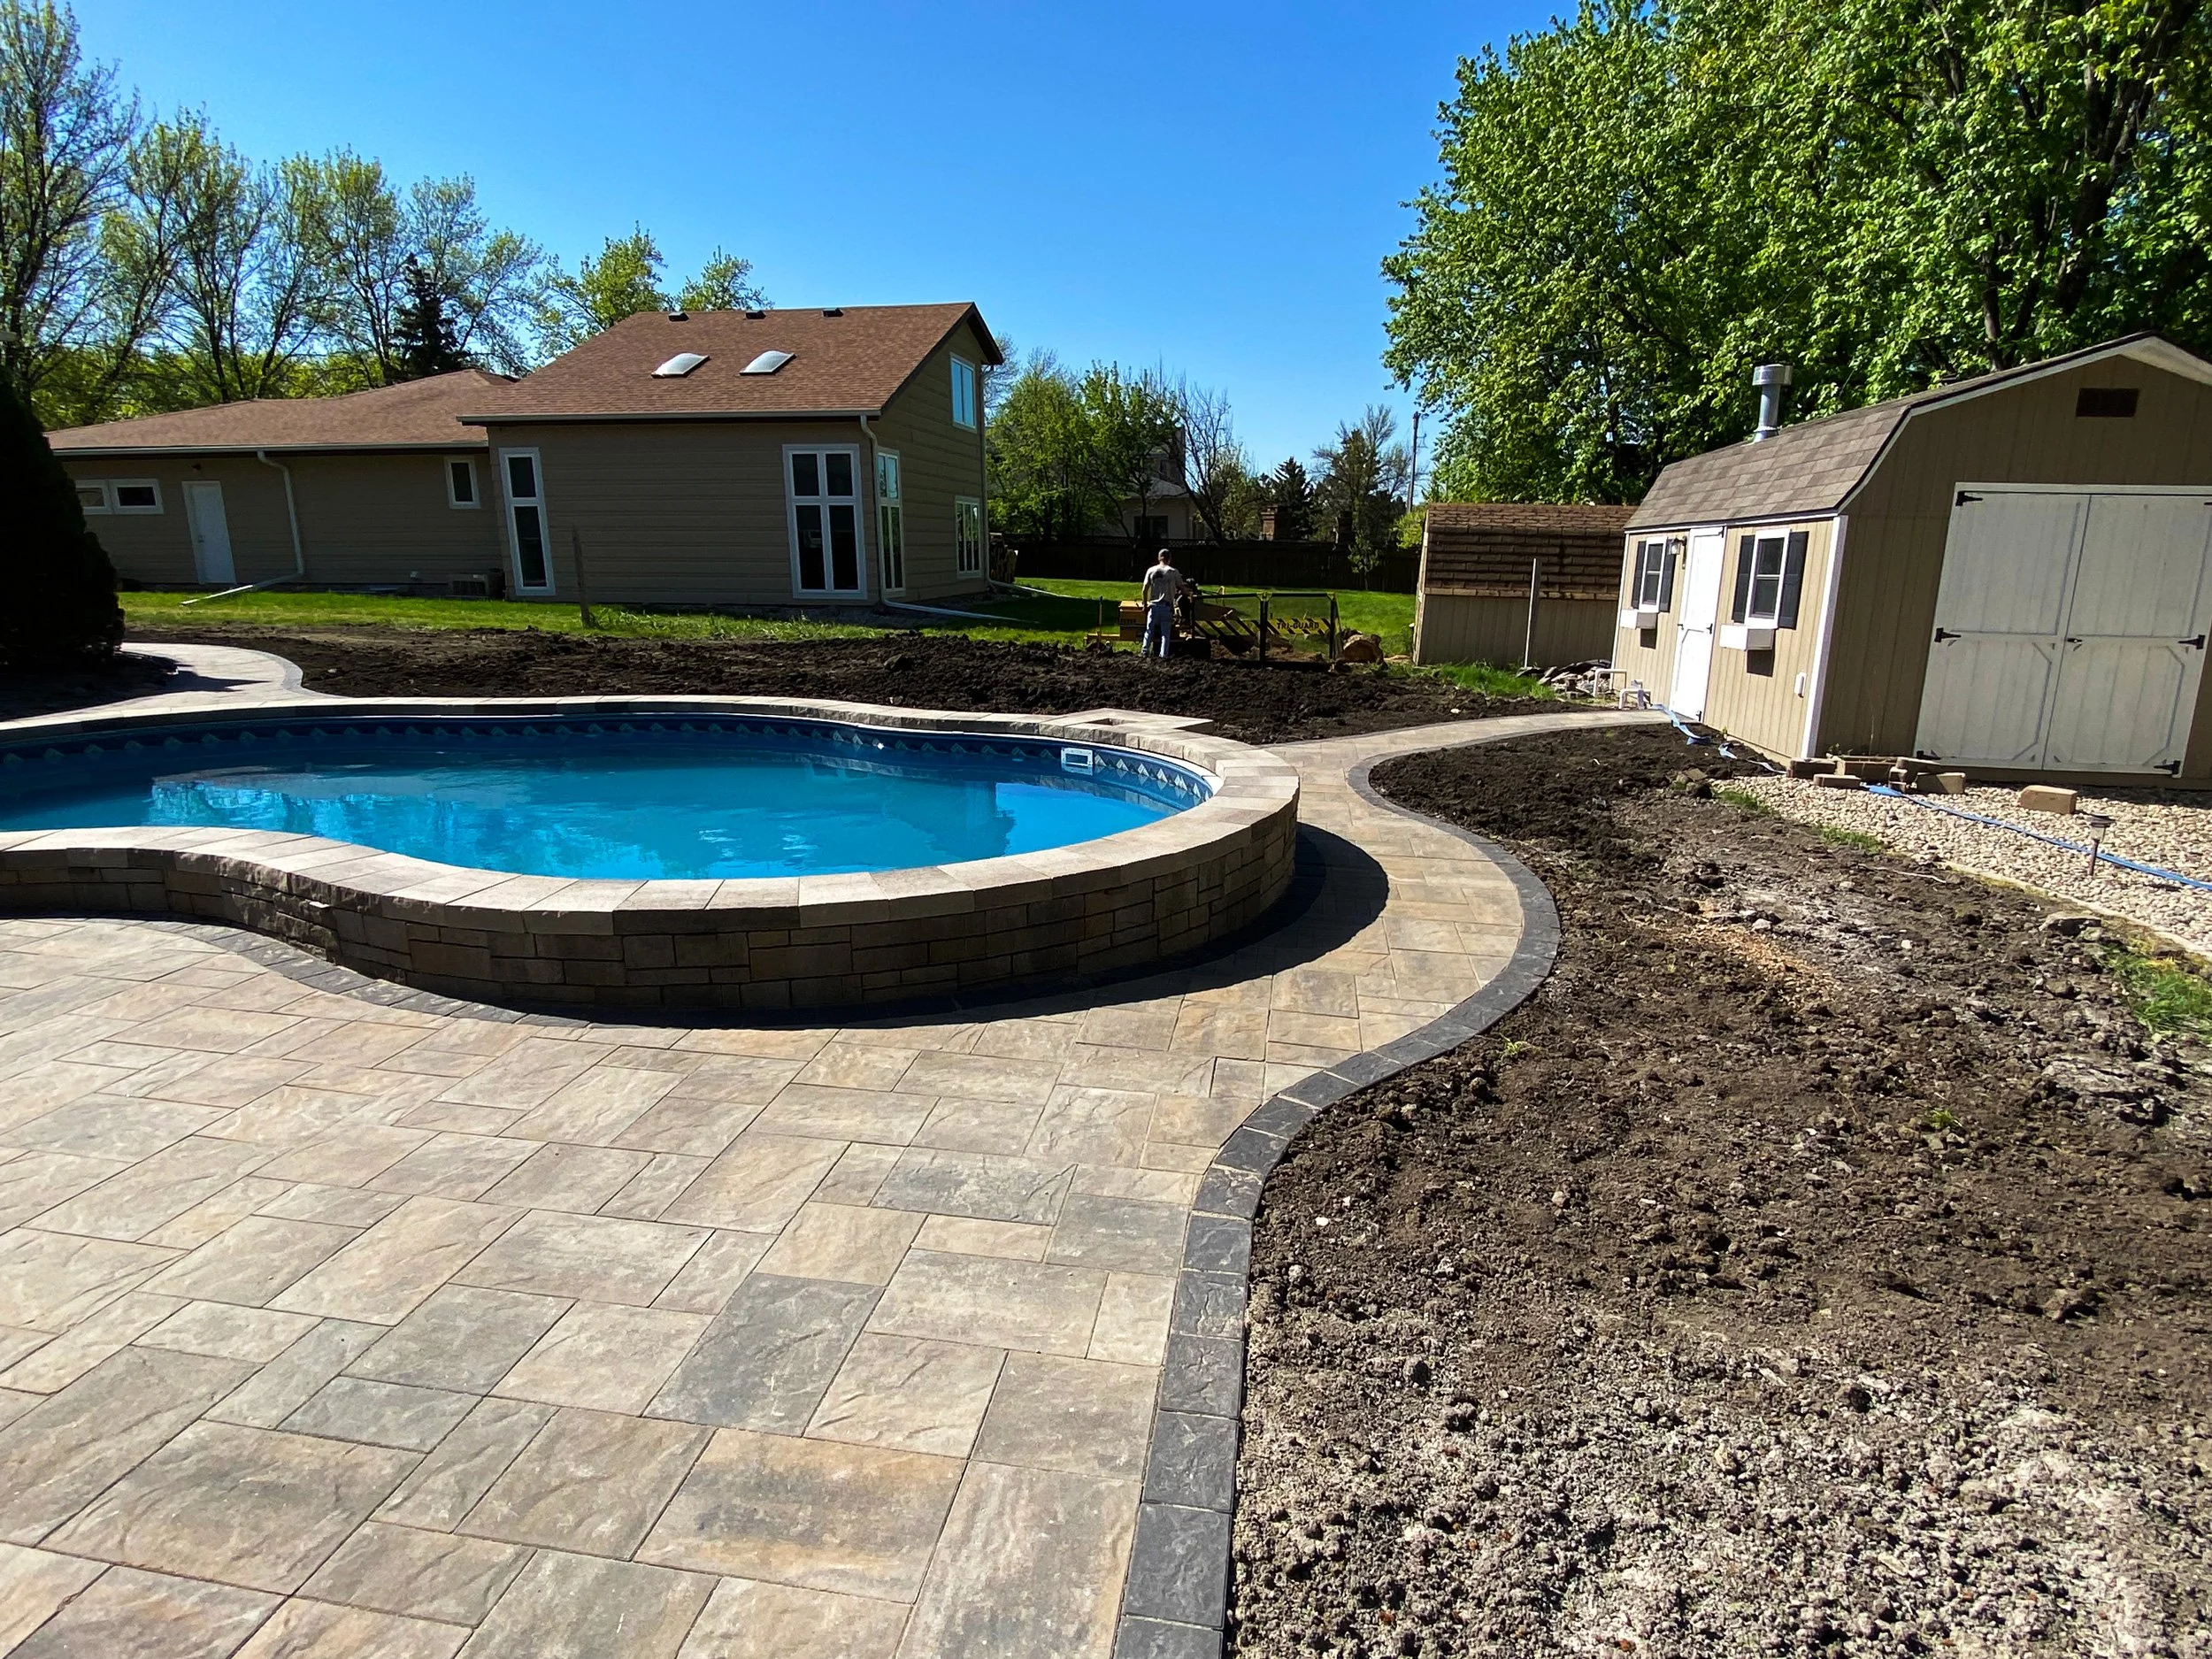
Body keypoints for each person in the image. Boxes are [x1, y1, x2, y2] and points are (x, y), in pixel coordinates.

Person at [1140, 549, 1184, 661]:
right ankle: (1163, 655)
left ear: (1159, 558)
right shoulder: (1173, 572)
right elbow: (1181, 588)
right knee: (1165, 633)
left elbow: (1144, 589)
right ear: (1169, 559)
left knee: (1149, 630)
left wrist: (1145, 604)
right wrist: (1190, 594)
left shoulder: (1151, 570)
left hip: (1153, 606)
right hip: (1166, 607)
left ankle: (1144, 652)